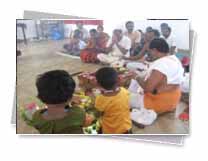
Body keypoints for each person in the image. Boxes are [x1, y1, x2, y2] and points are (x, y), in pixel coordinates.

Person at [132, 38, 184, 113]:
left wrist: (136, 76)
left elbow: (148, 88)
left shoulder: (161, 64)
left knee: (124, 98)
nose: (150, 54)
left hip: (158, 102)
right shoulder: (175, 59)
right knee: (136, 86)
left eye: (150, 51)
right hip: (174, 101)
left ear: (155, 50)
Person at [95, 67, 132, 134]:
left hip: (111, 130)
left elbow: (98, 113)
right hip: (126, 127)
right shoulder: (124, 91)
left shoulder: (100, 98)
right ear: (118, 79)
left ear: (98, 84)